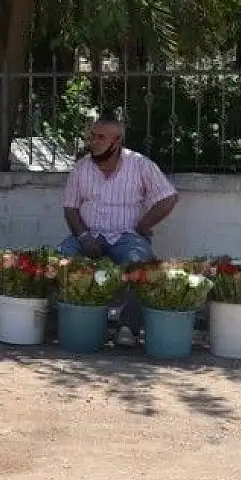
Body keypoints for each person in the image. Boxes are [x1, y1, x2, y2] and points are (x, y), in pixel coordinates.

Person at [58, 117, 179, 346]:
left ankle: (127, 328)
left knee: (141, 265)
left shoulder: (140, 165)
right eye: (92, 136)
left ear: (117, 141)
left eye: (100, 137)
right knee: (61, 259)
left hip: (126, 236)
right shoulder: (82, 168)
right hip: (88, 233)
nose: (93, 141)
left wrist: (144, 226)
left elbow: (169, 198)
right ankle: (79, 323)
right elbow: (70, 208)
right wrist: (83, 237)